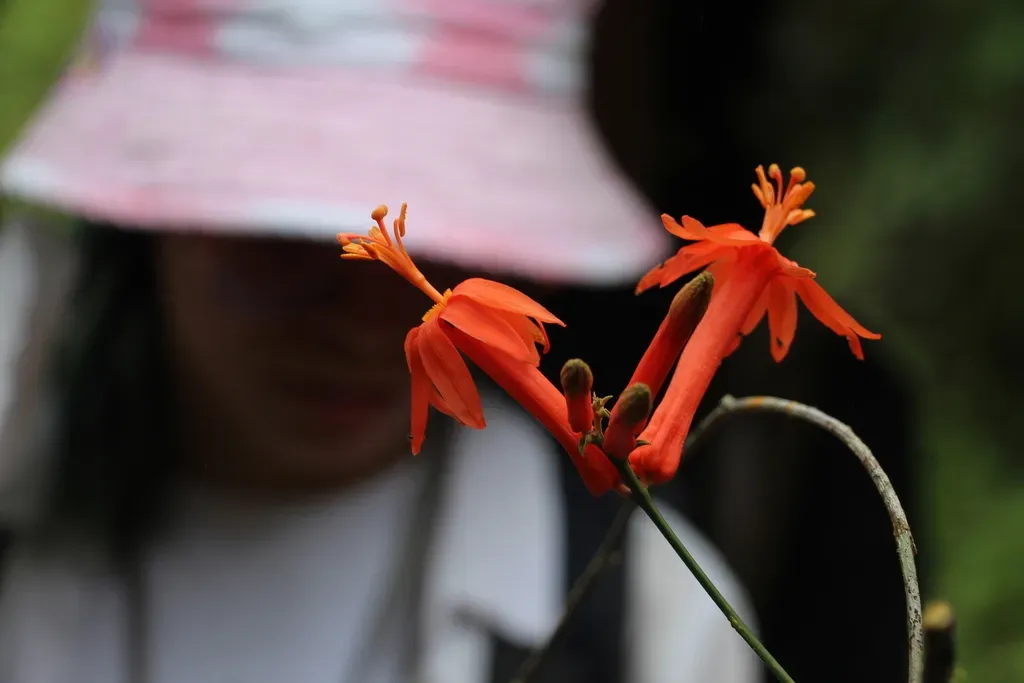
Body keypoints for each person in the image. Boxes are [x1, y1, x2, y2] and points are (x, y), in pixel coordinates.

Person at [0, 0, 759, 681]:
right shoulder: (26, 542)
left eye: (442, 248)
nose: (367, 327)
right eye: (283, 241)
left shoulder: (652, 621)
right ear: (150, 228)